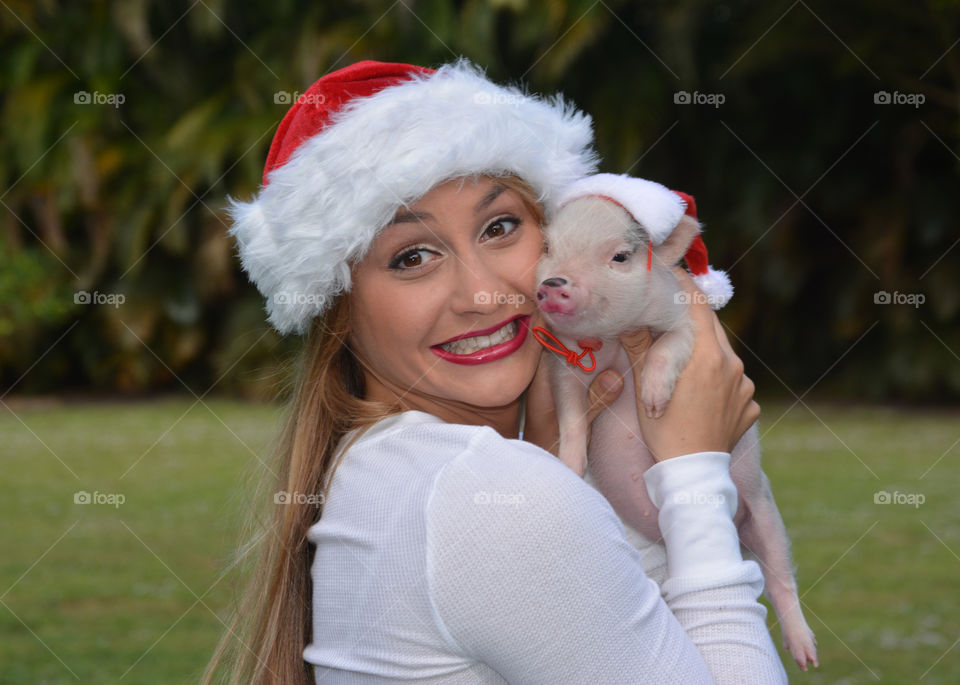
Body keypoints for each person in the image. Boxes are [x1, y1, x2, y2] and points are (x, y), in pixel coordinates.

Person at [203, 58, 789, 684]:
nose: (481, 292)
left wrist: (547, 457)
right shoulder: (485, 498)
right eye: (413, 257)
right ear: (337, 308)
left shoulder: (387, 467)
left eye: (500, 226)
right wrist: (694, 473)